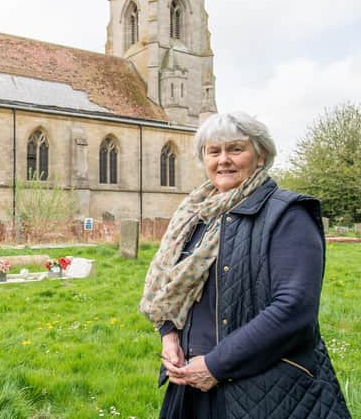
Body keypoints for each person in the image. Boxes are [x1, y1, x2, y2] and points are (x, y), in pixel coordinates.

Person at [140, 112, 350, 418]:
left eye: (235, 149)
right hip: (189, 384)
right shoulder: (197, 216)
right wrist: (169, 334)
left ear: (261, 154)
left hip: (265, 391)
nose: (223, 160)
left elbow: (294, 309)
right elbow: (172, 287)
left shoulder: (287, 214)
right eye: (214, 151)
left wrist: (215, 365)